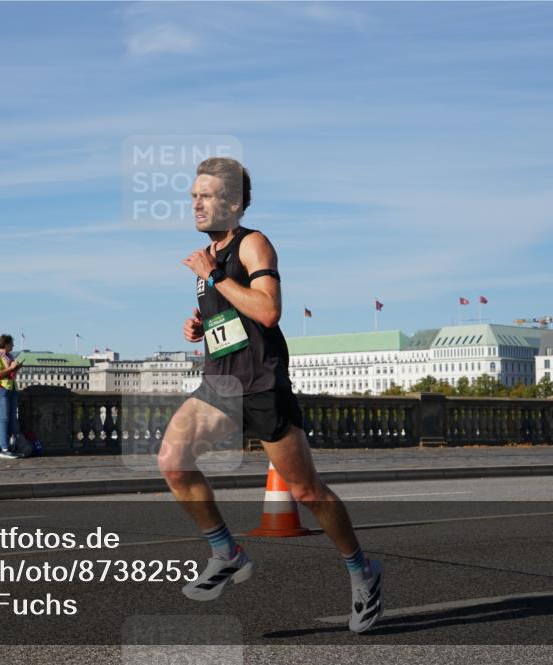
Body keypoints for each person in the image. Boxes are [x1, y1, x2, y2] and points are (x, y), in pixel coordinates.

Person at [157, 158, 383, 633]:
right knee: (173, 462)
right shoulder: (206, 257)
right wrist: (200, 325)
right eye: (193, 196)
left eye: (205, 196)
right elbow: (231, 315)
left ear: (233, 203)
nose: (195, 204)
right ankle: (226, 552)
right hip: (220, 383)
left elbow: (268, 311)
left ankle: (362, 571)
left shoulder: (252, 243)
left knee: (307, 491)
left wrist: (216, 277)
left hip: (262, 384)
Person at [0, 334, 24, 460]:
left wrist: (16, 369)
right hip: (1, 389)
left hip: (12, 389)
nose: (13, 345)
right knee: (3, 419)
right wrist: (12, 368)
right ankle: (4, 449)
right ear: (6, 344)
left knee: (12, 418)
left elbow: (10, 373)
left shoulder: (10, 356)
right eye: (12, 343)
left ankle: (12, 447)